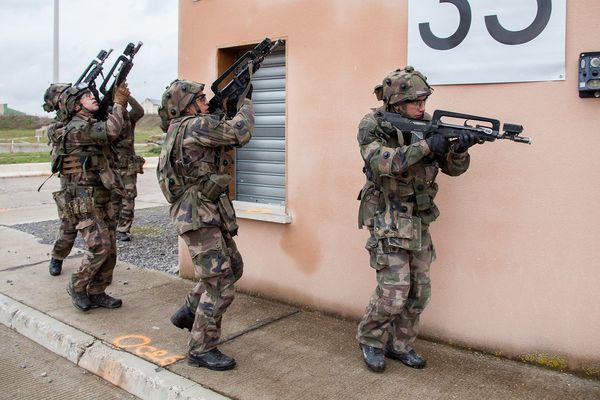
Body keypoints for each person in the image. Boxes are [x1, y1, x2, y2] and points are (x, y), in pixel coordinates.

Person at [356, 66, 478, 372]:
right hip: (387, 215)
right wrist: (426, 145)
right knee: (394, 292)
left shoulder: (428, 124)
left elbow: (453, 169)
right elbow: (382, 162)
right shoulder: (373, 124)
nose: (422, 108)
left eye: (425, 101)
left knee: (419, 291)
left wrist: (458, 150)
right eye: (416, 102)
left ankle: (400, 345)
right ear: (396, 102)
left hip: (419, 218)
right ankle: (370, 339)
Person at [157, 79, 253, 371]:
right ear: (186, 105)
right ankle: (201, 349)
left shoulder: (184, 127)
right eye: (200, 98)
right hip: (197, 216)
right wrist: (245, 103)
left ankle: (189, 310)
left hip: (206, 213)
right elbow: (241, 132)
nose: (205, 102)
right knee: (220, 285)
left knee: (232, 267)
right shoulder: (194, 126)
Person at [54, 81, 130, 312]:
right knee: (99, 246)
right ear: (76, 106)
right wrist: (118, 103)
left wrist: (116, 107)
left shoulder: (90, 124)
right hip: (81, 200)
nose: (93, 97)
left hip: (102, 196)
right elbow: (110, 131)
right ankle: (77, 286)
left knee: (111, 249)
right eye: (87, 96)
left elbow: (119, 134)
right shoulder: (75, 129)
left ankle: (97, 291)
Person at [43, 83, 77, 276]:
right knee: (69, 223)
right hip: (71, 183)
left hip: (91, 179)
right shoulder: (57, 126)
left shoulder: (83, 119)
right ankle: (57, 257)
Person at [111, 96, 146, 242]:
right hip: (110, 166)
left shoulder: (128, 119)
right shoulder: (108, 118)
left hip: (127, 167)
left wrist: (128, 97)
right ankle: (111, 227)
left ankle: (123, 229)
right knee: (112, 199)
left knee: (128, 197)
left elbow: (139, 110)